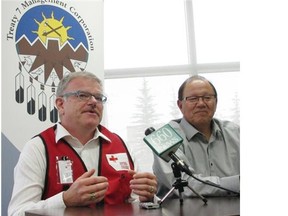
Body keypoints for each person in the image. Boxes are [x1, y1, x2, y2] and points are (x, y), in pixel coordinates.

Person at [8, 71, 158, 216]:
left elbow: (136, 200)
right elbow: (18, 212)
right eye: (83, 95)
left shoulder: (120, 144)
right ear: (60, 104)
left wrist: (148, 197)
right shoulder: (38, 148)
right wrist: (65, 200)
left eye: (98, 98)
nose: (93, 101)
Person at [152, 75, 240, 198]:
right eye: (193, 99)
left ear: (216, 101)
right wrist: (237, 183)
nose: (201, 104)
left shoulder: (235, 132)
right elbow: (185, 187)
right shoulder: (164, 138)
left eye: (207, 97)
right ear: (180, 105)